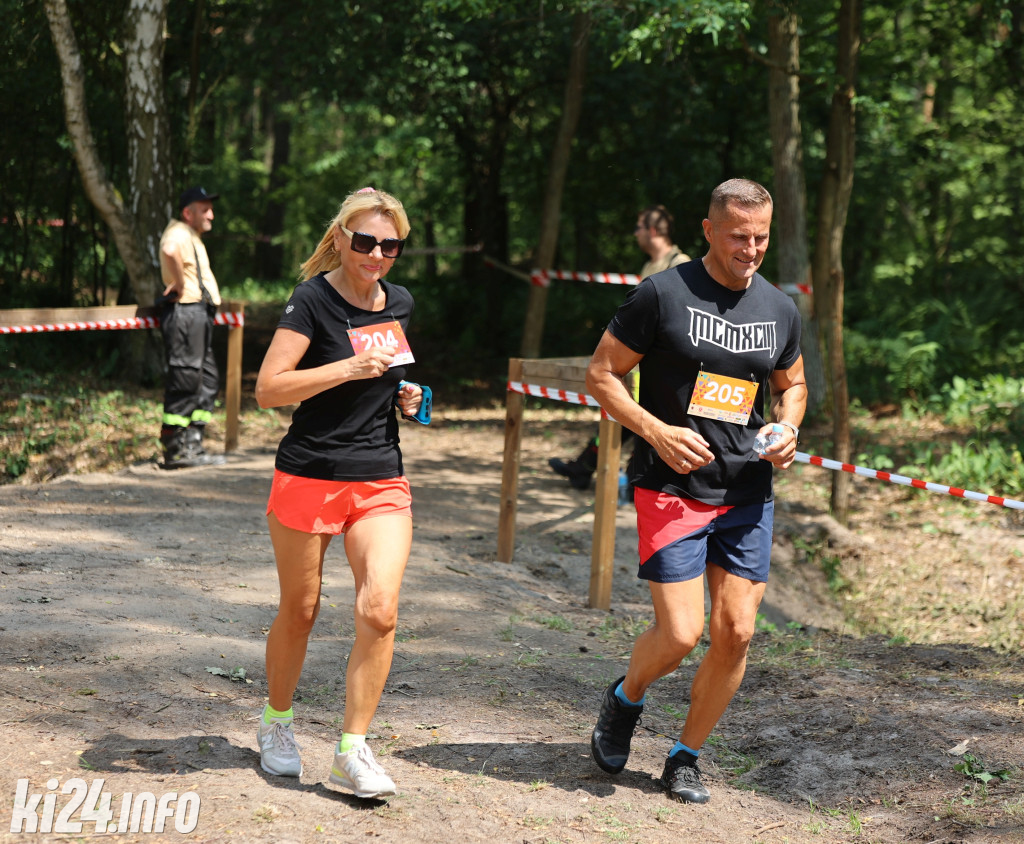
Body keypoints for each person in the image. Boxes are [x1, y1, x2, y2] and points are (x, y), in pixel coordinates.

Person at [585, 179, 807, 803]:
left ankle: (686, 755)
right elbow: (601, 373)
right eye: (739, 236)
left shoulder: (779, 307)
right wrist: (655, 431)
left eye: (761, 237)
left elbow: (793, 384)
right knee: (681, 634)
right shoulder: (662, 293)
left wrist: (788, 426)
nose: (751, 248)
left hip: (746, 491)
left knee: (735, 632)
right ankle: (625, 698)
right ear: (708, 230)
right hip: (672, 487)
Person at [253, 187, 424, 800]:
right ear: (342, 238)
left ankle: (352, 749)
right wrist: (345, 370)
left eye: (390, 244)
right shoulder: (312, 300)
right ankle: (276, 724)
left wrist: (412, 399)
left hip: (379, 475)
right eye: (365, 241)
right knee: (300, 610)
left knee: (379, 608)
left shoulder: (399, 303)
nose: (377, 254)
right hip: (309, 473)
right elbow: (269, 389)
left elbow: (396, 382)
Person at [549, 205, 690, 490]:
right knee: (622, 418)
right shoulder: (650, 265)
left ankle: (593, 469)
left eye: (638, 227)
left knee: (630, 421)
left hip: (663, 368)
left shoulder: (680, 262)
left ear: (652, 231)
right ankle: (590, 468)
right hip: (640, 363)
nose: (635, 233)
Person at [157, 185, 226, 469]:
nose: (211, 214)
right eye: (204, 209)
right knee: (186, 379)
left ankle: (193, 444)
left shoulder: (191, 235)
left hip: (198, 314)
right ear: (188, 213)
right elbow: (169, 249)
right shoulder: (178, 233)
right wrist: (182, 284)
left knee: (207, 380)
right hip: (186, 312)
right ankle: (175, 449)